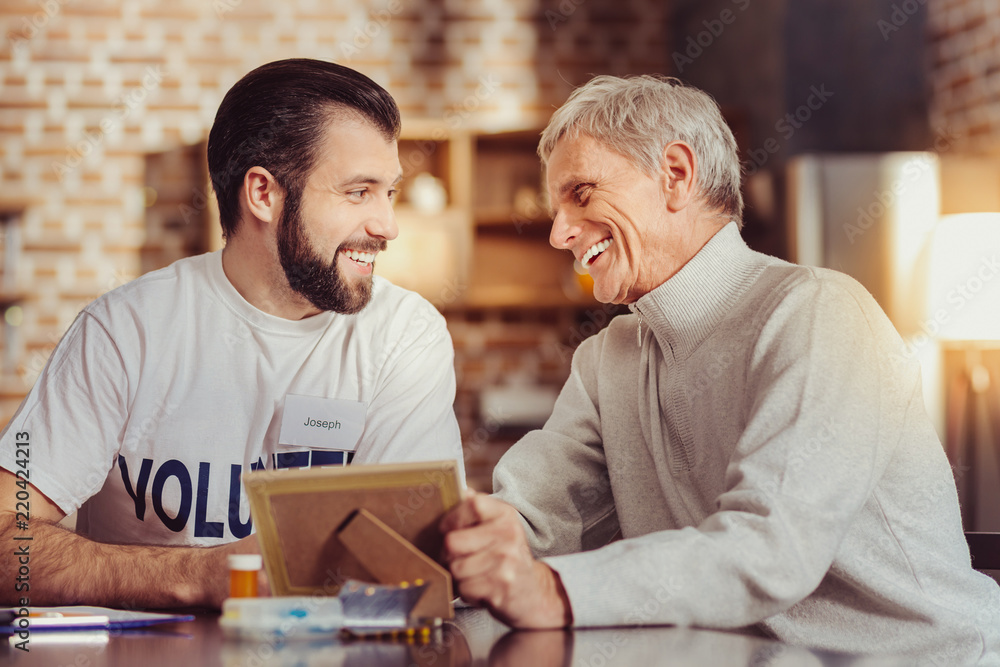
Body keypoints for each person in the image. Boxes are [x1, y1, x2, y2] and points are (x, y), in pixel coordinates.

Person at [440, 74, 1000, 662]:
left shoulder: (817, 313)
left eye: (581, 193)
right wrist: (447, 549)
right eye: (557, 208)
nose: (559, 234)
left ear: (676, 174)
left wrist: (553, 592)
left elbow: (770, 547)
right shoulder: (609, 358)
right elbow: (532, 524)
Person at [0, 59, 463, 609]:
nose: (387, 224)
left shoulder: (405, 337)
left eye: (390, 192)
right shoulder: (124, 332)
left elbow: (408, 574)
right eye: (359, 192)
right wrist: (200, 576)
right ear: (263, 194)